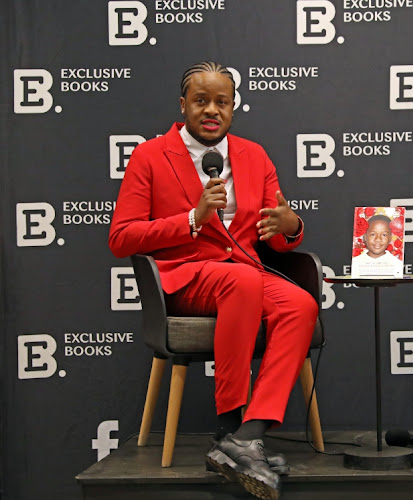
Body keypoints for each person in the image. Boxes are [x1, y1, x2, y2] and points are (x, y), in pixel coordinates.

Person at [109, 61, 318, 499]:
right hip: (185, 278)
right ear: (183, 104)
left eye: (221, 102)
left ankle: (248, 434)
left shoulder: (254, 155)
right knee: (239, 281)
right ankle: (228, 423)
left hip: (245, 272)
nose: (211, 110)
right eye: (201, 100)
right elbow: (122, 237)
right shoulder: (150, 155)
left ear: (233, 107)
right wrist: (191, 218)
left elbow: (277, 242)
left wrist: (290, 224)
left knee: (300, 304)